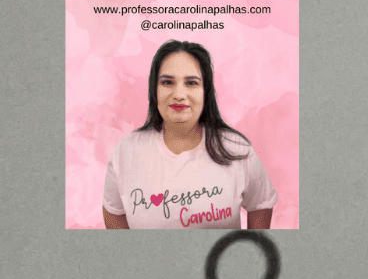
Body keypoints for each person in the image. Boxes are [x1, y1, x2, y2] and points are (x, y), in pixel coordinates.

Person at [101, 40, 277, 230]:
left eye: (191, 83)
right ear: (154, 90)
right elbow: (113, 210)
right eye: (167, 82)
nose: (179, 94)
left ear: (205, 91)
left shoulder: (237, 149)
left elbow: (261, 205)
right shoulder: (126, 151)